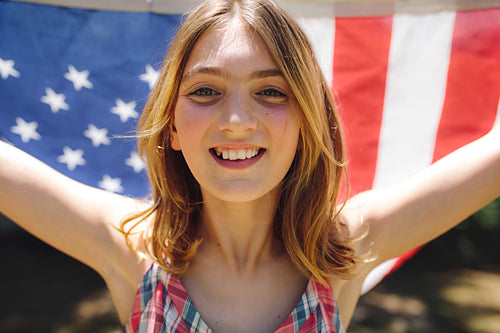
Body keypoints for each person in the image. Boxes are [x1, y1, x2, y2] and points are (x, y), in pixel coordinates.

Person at [0, 0, 499, 332]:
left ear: (307, 121)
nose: (237, 120)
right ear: (171, 124)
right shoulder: (132, 247)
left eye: (270, 92)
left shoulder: (343, 249)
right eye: (205, 92)